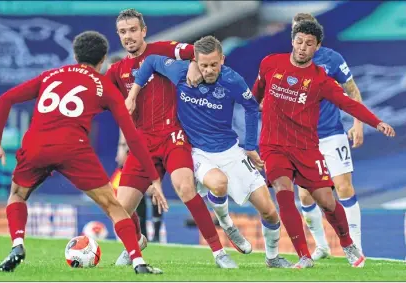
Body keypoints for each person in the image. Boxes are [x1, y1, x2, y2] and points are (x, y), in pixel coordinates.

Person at [0, 31, 166, 275]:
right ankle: (138, 262)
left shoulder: (50, 75)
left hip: (36, 144)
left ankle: (17, 245)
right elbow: (133, 136)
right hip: (72, 148)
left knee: (17, 195)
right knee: (113, 206)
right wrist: (153, 176)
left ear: (76, 55)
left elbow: (5, 99)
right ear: (103, 59)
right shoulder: (105, 86)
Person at [126, 35, 293, 268]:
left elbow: (251, 107)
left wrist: (250, 146)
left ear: (222, 60)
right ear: (194, 61)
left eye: (214, 64)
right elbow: (152, 60)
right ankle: (227, 224)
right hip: (197, 151)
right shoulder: (181, 72)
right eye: (203, 65)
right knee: (218, 183)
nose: (208, 70)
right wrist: (132, 95)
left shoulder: (232, 80)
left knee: (269, 212)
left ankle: (273, 258)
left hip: (230, 150)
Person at [253, 20, 396, 268]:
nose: (302, 48)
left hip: (307, 147)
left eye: (309, 44)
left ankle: (349, 245)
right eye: (299, 42)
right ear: (292, 41)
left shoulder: (321, 80)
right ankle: (304, 256)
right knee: (284, 194)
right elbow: (256, 93)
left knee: (328, 202)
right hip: (274, 145)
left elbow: (349, 103)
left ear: (317, 47)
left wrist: (376, 122)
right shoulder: (270, 63)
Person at [106, 9, 236, 268]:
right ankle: (138, 240)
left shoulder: (163, 49)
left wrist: (191, 64)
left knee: (185, 188)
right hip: (141, 143)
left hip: (172, 135)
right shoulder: (116, 70)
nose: (129, 36)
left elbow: (196, 51)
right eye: (123, 32)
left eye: (133, 30)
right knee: (119, 209)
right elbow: (105, 100)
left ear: (144, 30)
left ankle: (219, 252)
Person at [292, 13, 365, 259]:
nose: (300, 42)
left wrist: (358, 123)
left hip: (332, 134)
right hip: (302, 141)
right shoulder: (284, 64)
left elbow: (352, 90)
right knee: (305, 194)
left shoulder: (332, 59)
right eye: (296, 35)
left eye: (306, 35)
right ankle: (322, 246)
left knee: (343, 188)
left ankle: (356, 247)